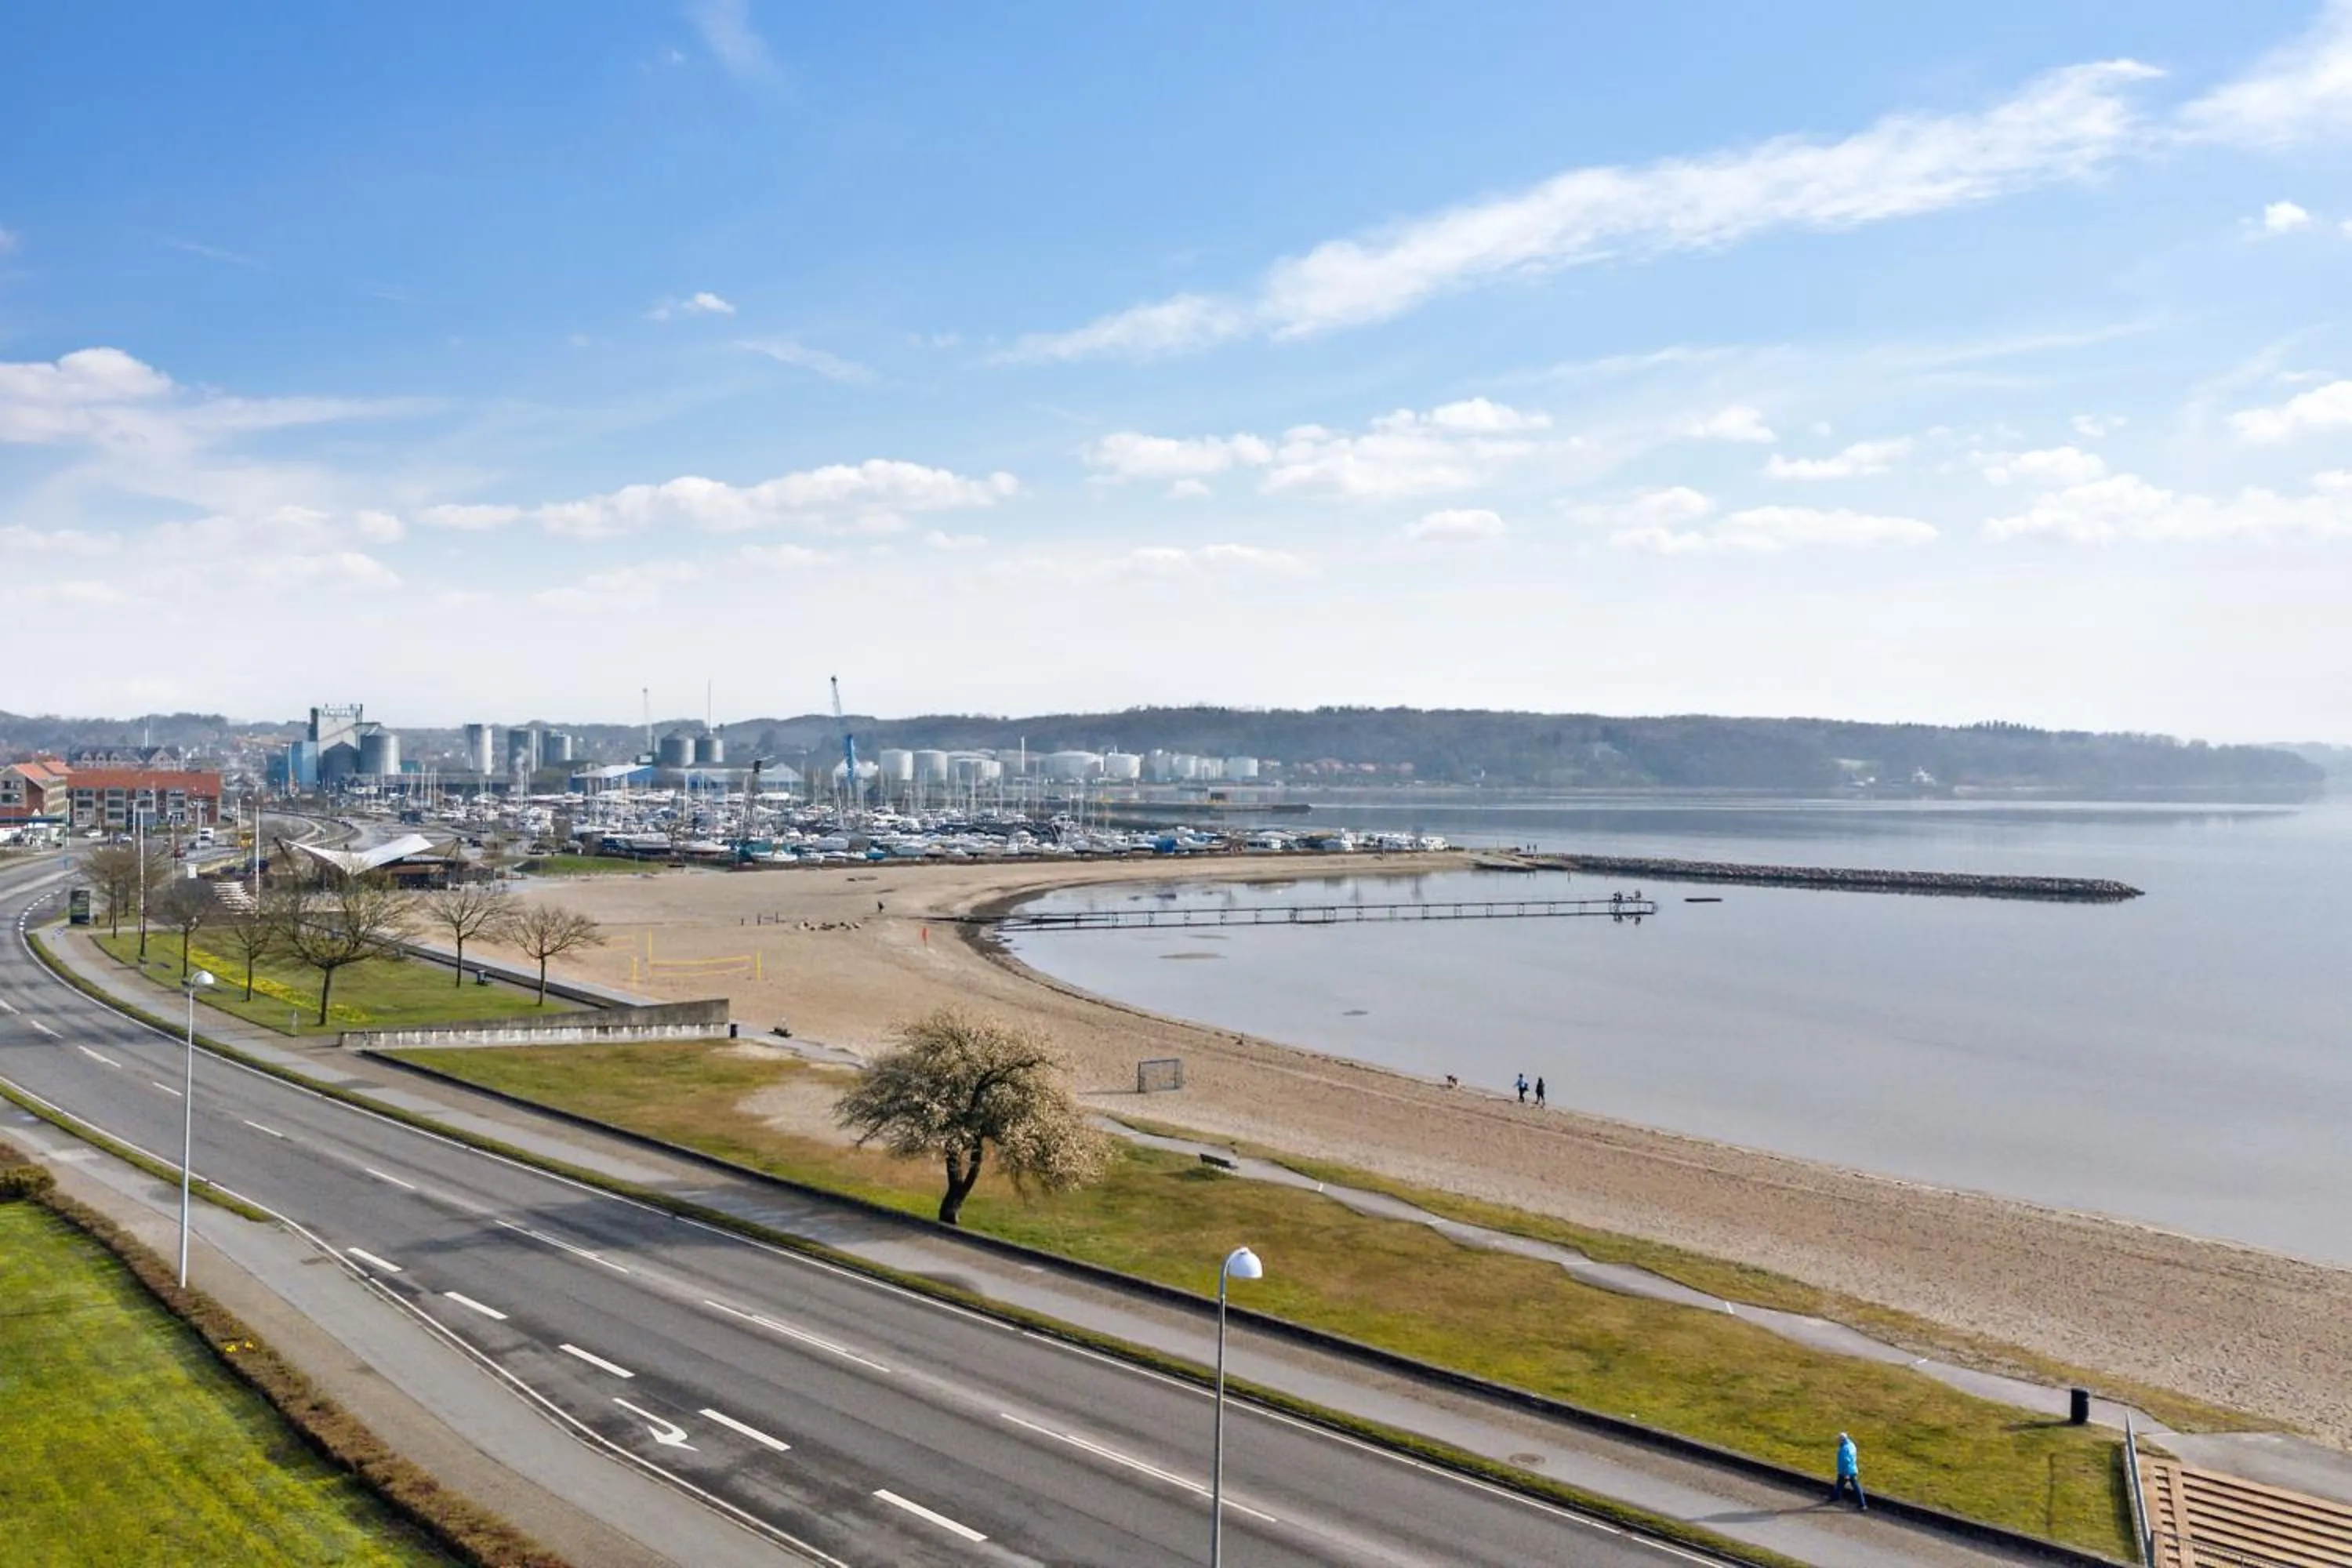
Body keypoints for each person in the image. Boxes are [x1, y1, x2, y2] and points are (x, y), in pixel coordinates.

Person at [1830, 1432, 1866, 1510]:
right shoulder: (1851, 1445)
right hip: (1853, 1469)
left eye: (1839, 1440)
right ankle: (1862, 1504)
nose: (1838, 1442)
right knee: (1842, 1485)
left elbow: (1846, 1462)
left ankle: (1862, 1504)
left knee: (1848, 1485)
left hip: (1845, 1471)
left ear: (1841, 1440)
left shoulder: (1843, 1450)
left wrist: (1847, 1474)